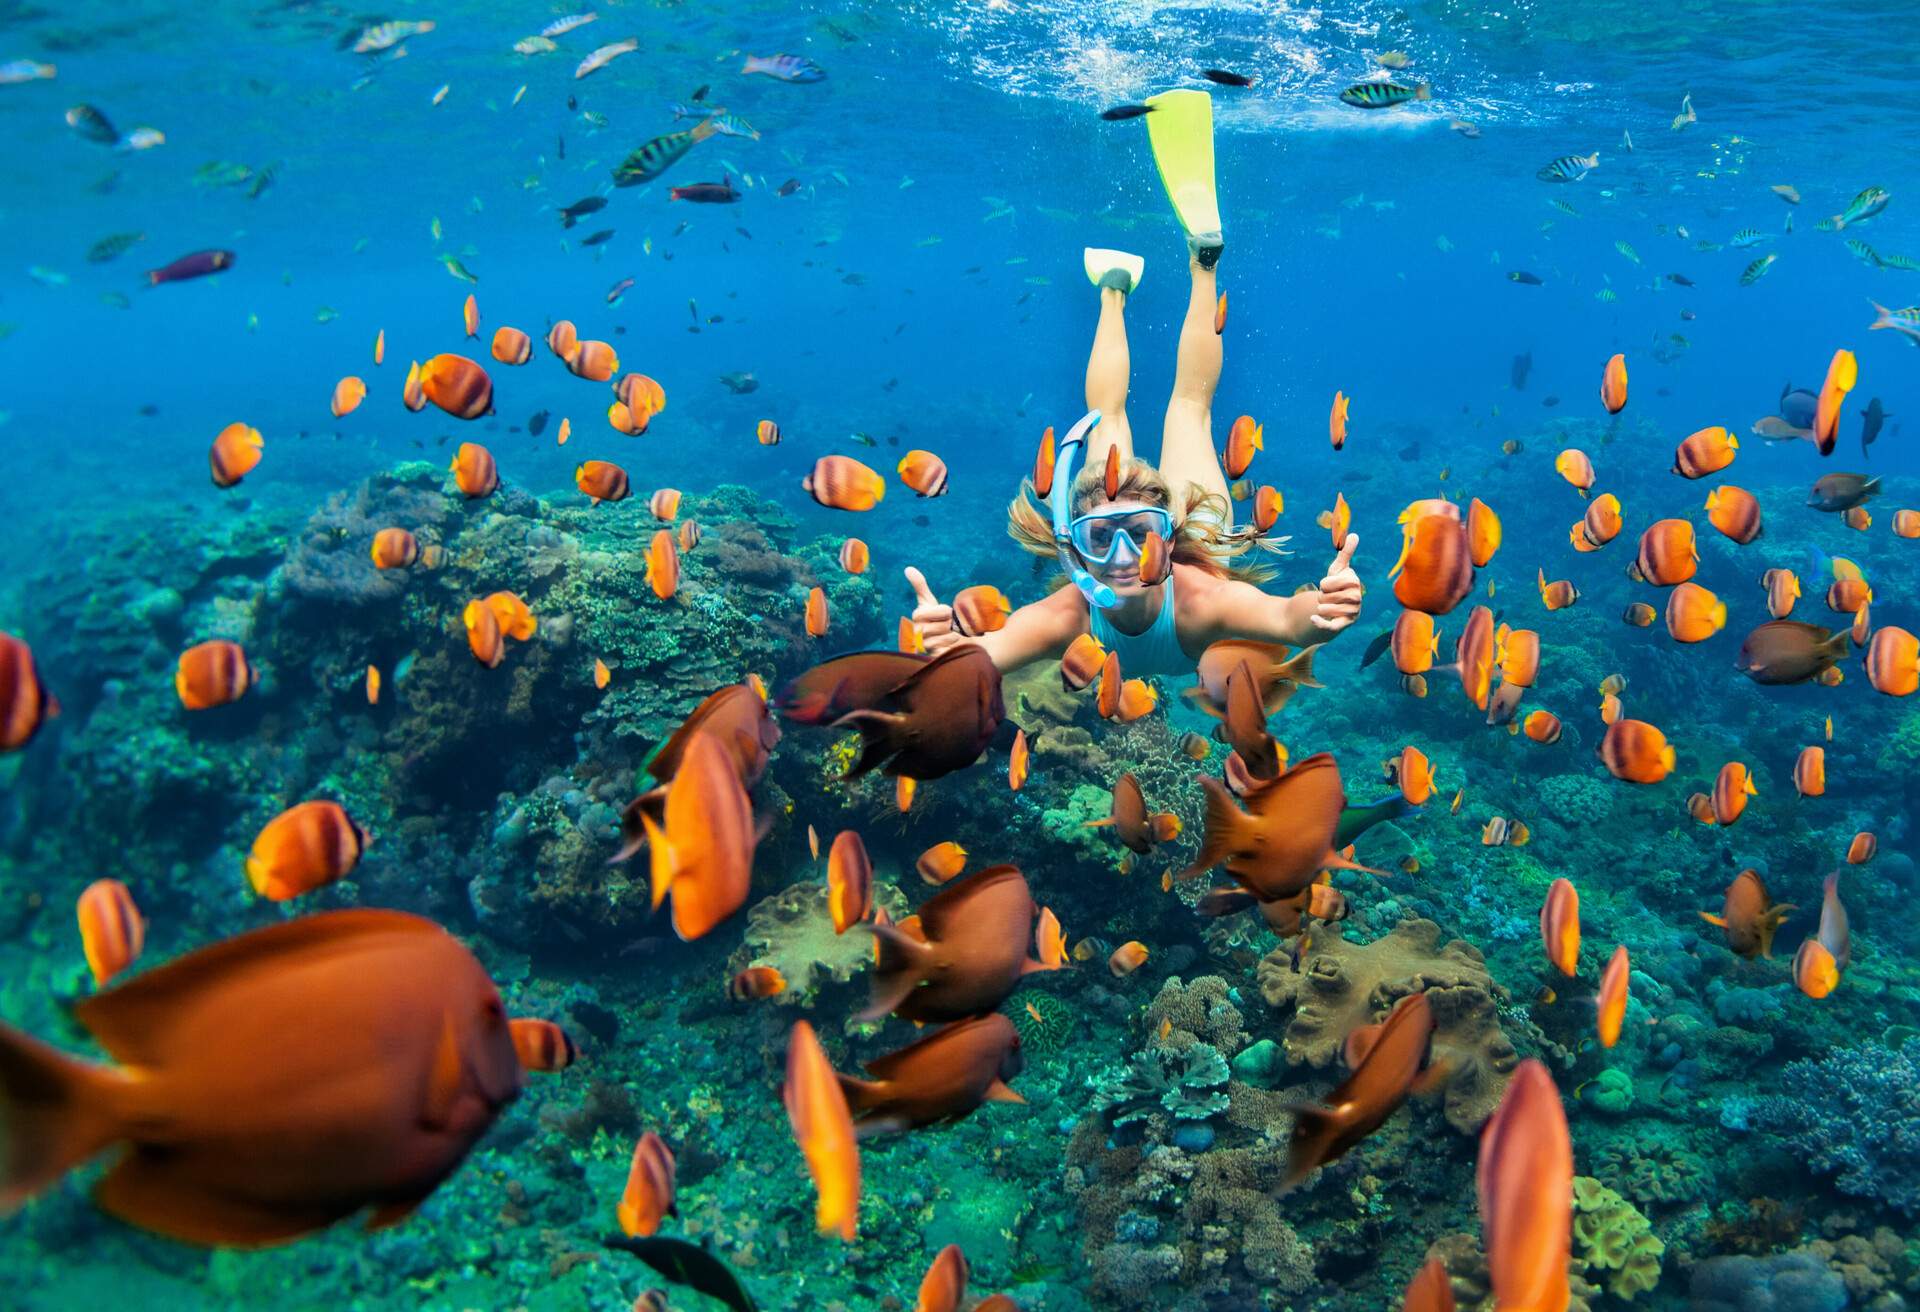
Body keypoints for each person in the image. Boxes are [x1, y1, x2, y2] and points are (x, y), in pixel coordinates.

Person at [904, 88, 1362, 677]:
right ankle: (1180, 267)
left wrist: (1321, 613)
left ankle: (1132, 283)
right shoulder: (1070, 612)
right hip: (1203, 522)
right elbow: (984, 656)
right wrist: (949, 651)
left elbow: (1287, 620)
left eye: (1140, 534)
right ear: (1078, 548)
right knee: (1187, 411)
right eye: (1102, 540)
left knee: (1123, 413)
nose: (1124, 558)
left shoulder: (1200, 601)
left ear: (1168, 539)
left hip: (1191, 533)